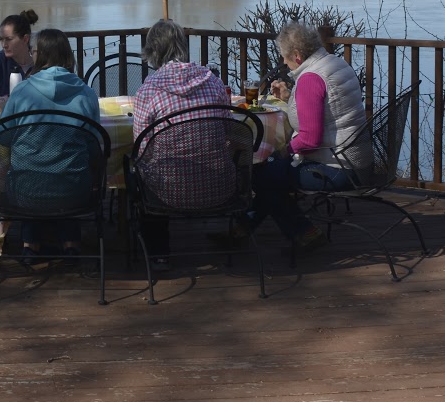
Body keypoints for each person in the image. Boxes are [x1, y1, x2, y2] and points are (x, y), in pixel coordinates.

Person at [245, 21, 367, 250]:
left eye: (285, 56)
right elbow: (327, 109)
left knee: (261, 176)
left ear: (297, 56)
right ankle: (242, 229)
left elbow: (310, 140)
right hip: (358, 161)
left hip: (337, 170)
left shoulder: (311, 78)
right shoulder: (335, 63)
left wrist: (283, 152)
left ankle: (304, 232)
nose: (284, 62)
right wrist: (290, 97)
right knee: (271, 174)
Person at [130, 18, 232, 268]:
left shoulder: (149, 90)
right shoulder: (213, 81)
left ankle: (158, 253)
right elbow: (228, 131)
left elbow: (141, 149)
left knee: (140, 173)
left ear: (153, 50)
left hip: (169, 191)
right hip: (219, 185)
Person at [0, 27, 101, 261]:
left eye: (34, 51)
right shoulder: (86, 93)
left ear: (41, 55)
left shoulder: (22, 91)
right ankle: (71, 244)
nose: (31, 55)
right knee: (68, 171)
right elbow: (95, 145)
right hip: (75, 191)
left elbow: (3, 139)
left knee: (31, 172)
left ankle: (30, 245)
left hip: (25, 191)